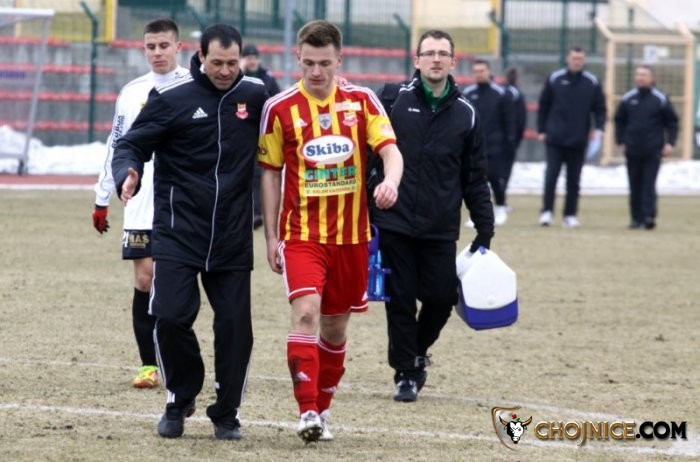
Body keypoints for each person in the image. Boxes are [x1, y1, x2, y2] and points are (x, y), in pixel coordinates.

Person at [112, 24, 268, 441]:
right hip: (179, 232)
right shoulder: (171, 99)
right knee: (168, 316)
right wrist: (127, 172)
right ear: (200, 57)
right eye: (217, 63)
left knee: (235, 329)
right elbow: (131, 145)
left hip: (232, 236)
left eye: (232, 63)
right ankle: (180, 397)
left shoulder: (255, 96)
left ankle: (227, 413)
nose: (225, 71)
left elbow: (290, 124)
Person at [258, 20, 403, 444]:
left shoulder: (362, 101)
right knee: (306, 313)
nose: (316, 71)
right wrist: (271, 237)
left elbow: (391, 151)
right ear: (297, 58)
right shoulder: (279, 108)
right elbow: (270, 173)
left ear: (340, 59)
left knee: (335, 329)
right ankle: (306, 411)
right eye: (308, 63)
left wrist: (391, 181)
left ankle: (322, 411)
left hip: (352, 238)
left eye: (324, 63)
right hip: (302, 235)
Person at [371, 30, 494, 402]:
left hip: (440, 225)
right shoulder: (393, 101)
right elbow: (370, 156)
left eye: (443, 53)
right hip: (394, 219)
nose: (436, 59)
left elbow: (474, 176)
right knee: (400, 299)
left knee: (442, 297)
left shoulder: (466, 114)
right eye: (429, 53)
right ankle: (406, 373)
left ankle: (417, 351)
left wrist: (484, 224)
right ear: (417, 60)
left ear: (453, 62)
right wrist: (371, 196)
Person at [92, 17, 187, 390]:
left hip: (181, 199)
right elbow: (116, 145)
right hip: (139, 198)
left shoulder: (193, 87)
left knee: (172, 283)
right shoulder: (132, 92)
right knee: (145, 279)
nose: (157, 52)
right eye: (151, 46)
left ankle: (176, 359)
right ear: (143, 48)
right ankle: (149, 365)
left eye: (164, 45)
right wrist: (102, 197)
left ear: (178, 47)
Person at [537, 46, 606, 228]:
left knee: (574, 180)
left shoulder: (591, 82)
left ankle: (570, 215)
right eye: (574, 58)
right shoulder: (555, 78)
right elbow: (544, 105)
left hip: (578, 139)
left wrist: (599, 128)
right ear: (568, 59)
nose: (577, 61)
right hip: (555, 138)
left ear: (584, 60)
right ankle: (547, 212)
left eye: (580, 59)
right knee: (551, 176)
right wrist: (542, 130)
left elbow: (600, 108)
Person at [614, 64, 678, 230]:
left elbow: (672, 122)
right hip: (632, 148)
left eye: (644, 75)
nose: (640, 78)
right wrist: (620, 140)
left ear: (652, 78)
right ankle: (636, 218)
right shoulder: (628, 98)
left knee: (648, 183)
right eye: (638, 74)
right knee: (634, 183)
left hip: (653, 148)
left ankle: (649, 216)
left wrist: (670, 143)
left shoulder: (660, 99)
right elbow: (619, 121)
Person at [462, 59, 516, 226]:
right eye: (476, 71)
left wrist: (509, 142)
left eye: (482, 70)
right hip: (474, 146)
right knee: (474, 181)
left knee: (494, 178)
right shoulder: (468, 93)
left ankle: (501, 207)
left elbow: (509, 120)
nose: (479, 74)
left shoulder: (500, 93)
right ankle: (476, 214)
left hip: (495, 145)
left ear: (489, 71)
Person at [241, 43, 281, 230]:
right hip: (241, 132)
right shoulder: (237, 76)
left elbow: (276, 101)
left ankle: (256, 212)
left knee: (258, 174)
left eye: (254, 57)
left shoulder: (268, 78)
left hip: (261, 133)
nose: (252, 61)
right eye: (248, 58)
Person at [503, 67, 527, 193]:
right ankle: (501, 197)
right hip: (510, 138)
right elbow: (521, 118)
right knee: (505, 168)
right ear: (517, 79)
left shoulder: (500, 91)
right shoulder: (516, 94)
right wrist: (516, 138)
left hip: (496, 137)